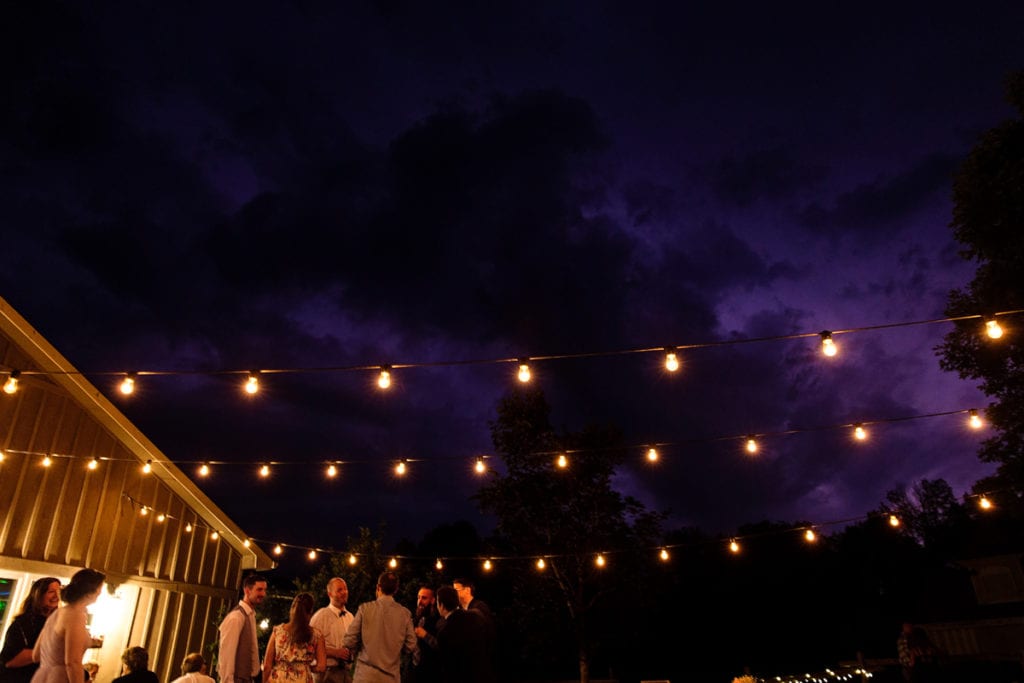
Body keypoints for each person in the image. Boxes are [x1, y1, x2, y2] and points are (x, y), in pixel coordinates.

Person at [30, 568, 105, 683]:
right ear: (91, 592)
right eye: (100, 589)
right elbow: (73, 662)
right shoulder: (75, 615)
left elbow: (36, 655)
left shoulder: (58, 612)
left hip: (42, 676)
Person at [341, 571, 417, 682]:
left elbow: (349, 641)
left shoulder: (365, 609)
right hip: (391, 678)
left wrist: (359, 646)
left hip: (365, 677)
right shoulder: (405, 614)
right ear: (396, 589)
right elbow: (411, 645)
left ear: (378, 587)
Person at [0, 577, 61, 683]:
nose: (57, 596)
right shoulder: (23, 623)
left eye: (59, 591)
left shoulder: (57, 622)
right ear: (38, 595)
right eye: (51, 592)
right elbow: (10, 661)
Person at [262, 593, 325, 683]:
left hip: (279, 679)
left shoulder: (278, 631)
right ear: (310, 611)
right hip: (302, 679)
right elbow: (321, 667)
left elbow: (267, 665)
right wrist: (306, 667)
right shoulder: (317, 635)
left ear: (292, 610)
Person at [218, 573, 267, 683]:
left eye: (264, 590)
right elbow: (226, 656)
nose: (263, 594)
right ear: (247, 591)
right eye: (259, 590)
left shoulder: (250, 616)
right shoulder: (236, 617)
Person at [433, 587, 488, 683]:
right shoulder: (476, 616)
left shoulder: (445, 632)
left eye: (437, 603)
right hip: (482, 674)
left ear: (441, 605)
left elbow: (449, 667)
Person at [308, 578, 354, 683]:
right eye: (339, 590)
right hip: (326, 673)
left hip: (346, 673)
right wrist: (335, 653)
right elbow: (309, 647)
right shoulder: (320, 616)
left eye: (345, 589)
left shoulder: (350, 617)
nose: (344, 592)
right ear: (330, 594)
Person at [406, 587, 440, 683]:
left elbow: (442, 647)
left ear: (433, 600)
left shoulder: (438, 621)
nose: (420, 601)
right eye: (418, 597)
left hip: (429, 674)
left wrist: (425, 635)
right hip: (412, 670)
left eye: (424, 598)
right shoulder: (415, 620)